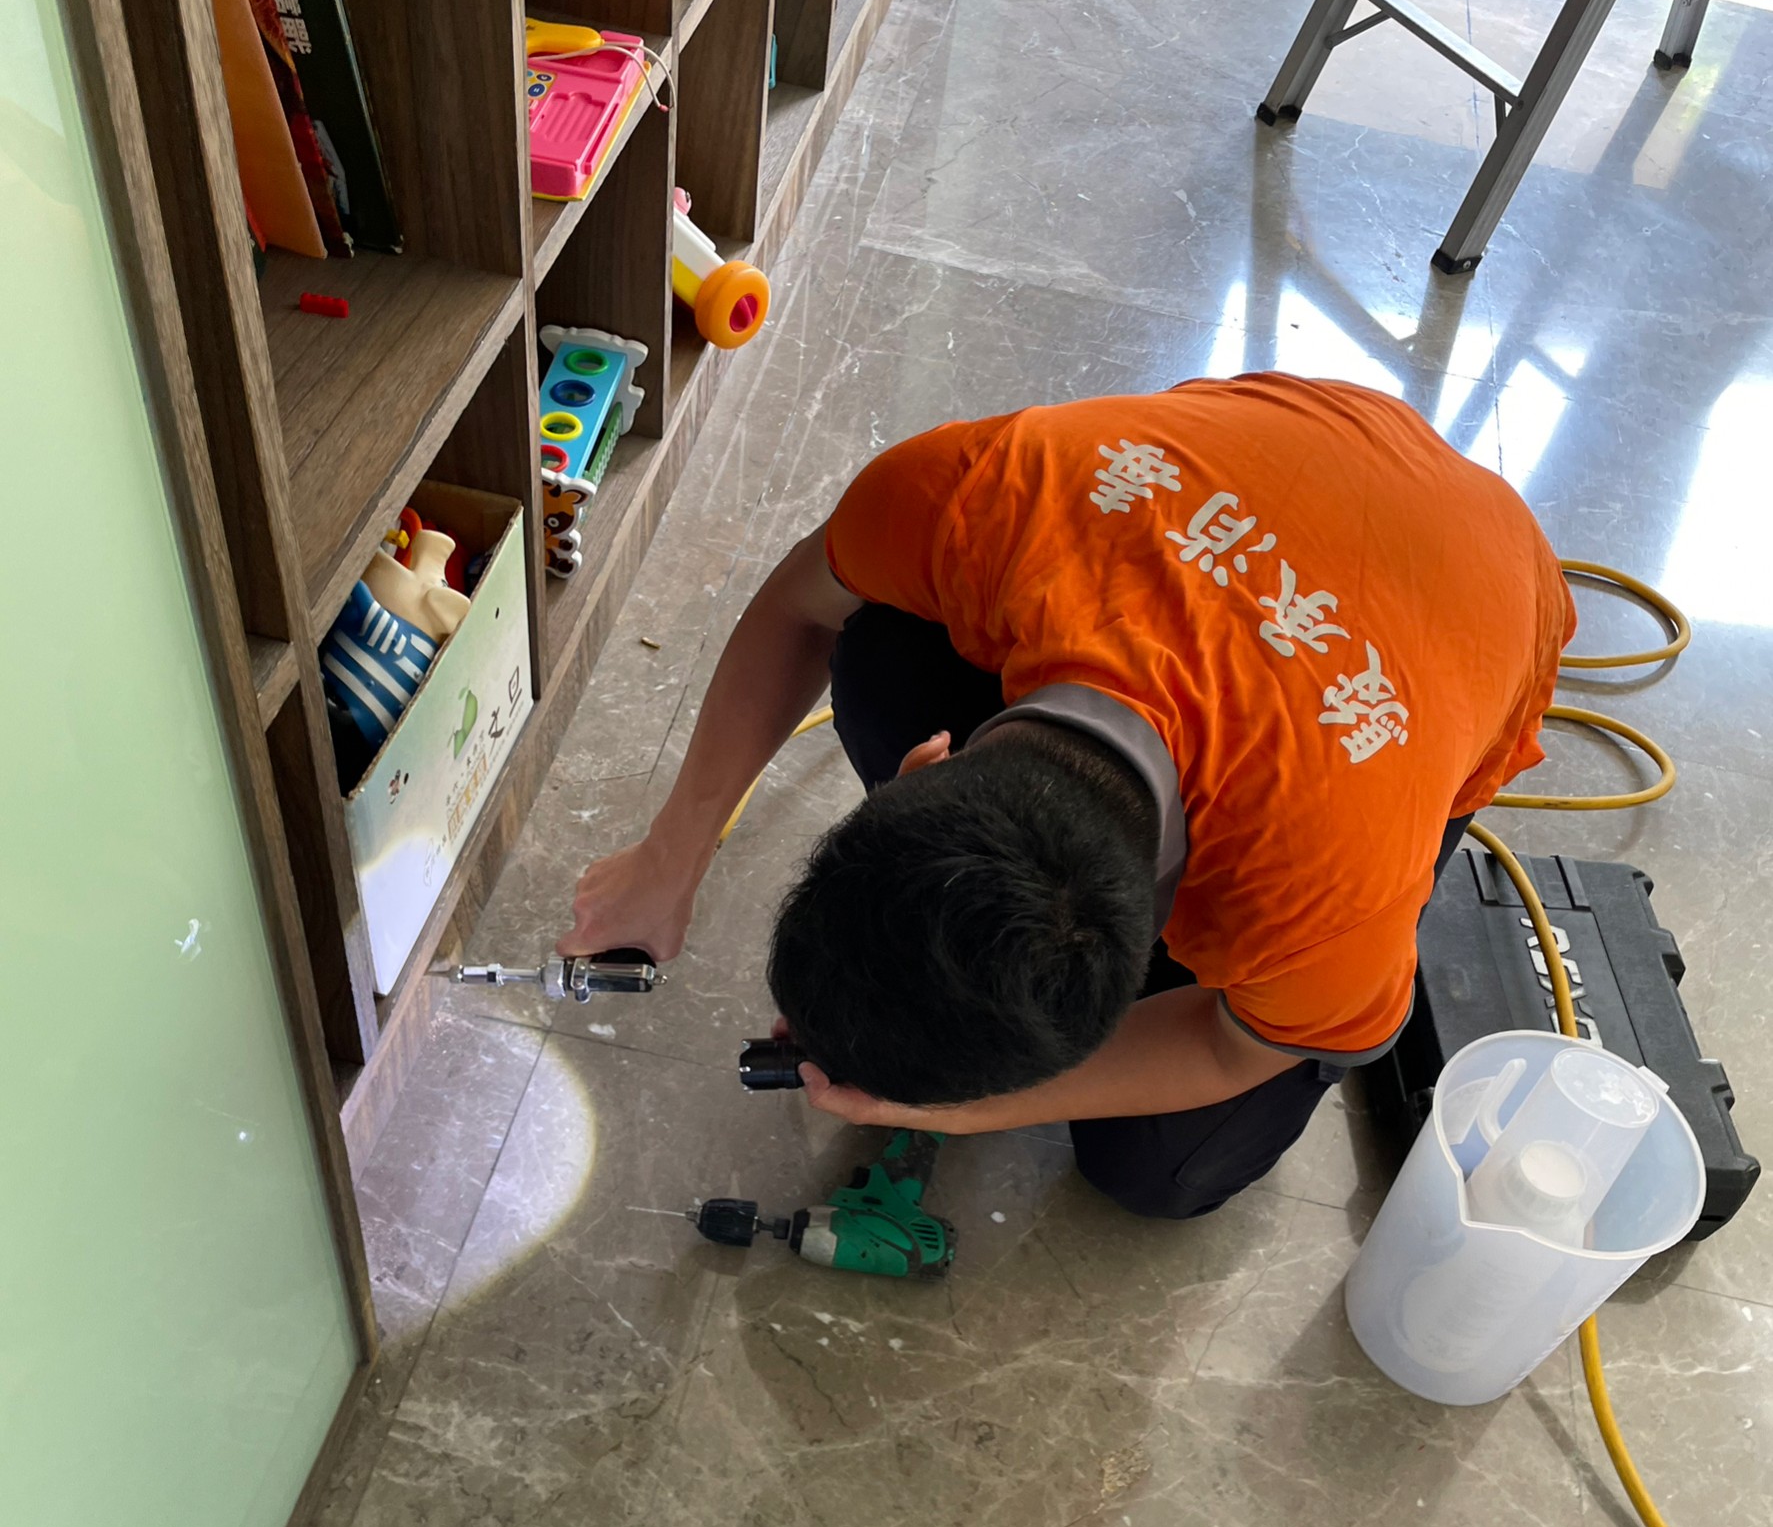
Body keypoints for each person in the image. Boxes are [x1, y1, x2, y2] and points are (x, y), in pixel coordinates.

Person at [559, 373, 1573, 1220]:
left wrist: (962, 1106)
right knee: (877, 656)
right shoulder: (971, 497)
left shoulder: (1329, 893)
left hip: (1485, 584)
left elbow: (1238, 1047)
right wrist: (668, 858)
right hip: (1327, 445)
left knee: (1160, 1172)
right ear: (926, 765)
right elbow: (800, 606)